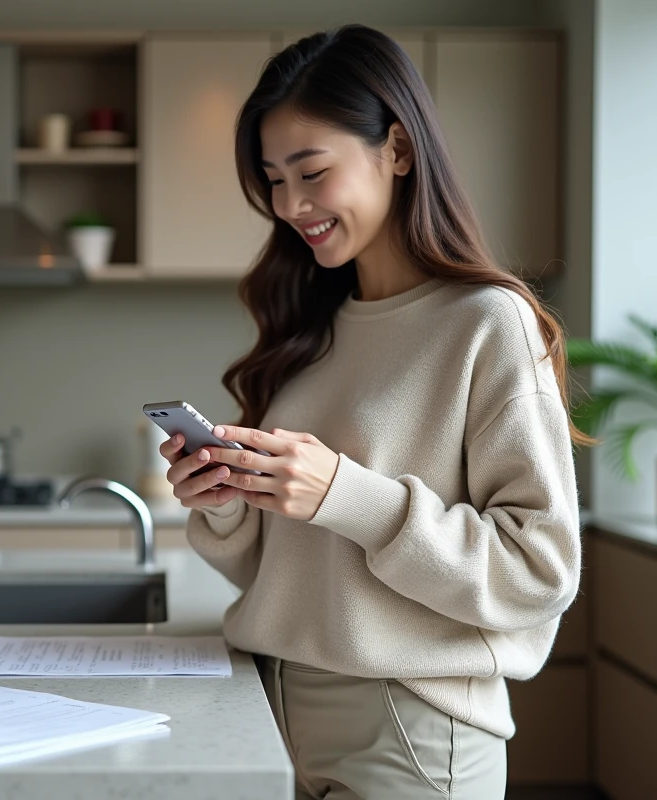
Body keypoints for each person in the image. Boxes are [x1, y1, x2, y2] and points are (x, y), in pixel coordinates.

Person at [160, 25, 584, 800]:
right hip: (273, 710)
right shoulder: (311, 328)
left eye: (312, 172)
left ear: (397, 148)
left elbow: (539, 569)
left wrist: (344, 495)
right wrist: (225, 504)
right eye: (272, 180)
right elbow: (280, 571)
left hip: (409, 727)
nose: (290, 205)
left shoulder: (486, 323)